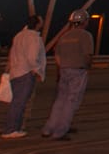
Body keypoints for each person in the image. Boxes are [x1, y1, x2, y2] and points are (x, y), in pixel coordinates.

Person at [41, 10, 97, 140]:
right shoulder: (86, 36)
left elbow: (57, 56)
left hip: (64, 70)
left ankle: (48, 128)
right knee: (71, 102)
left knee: (60, 100)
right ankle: (60, 131)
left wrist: (60, 70)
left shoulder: (64, 36)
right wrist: (88, 67)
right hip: (78, 71)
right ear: (84, 21)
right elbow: (88, 55)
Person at [0, 14, 47, 139]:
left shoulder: (19, 35)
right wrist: (36, 70)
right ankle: (11, 129)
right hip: (25, 73)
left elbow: (12, 53)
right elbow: (32, 57)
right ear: (37, 24)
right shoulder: (34, 38)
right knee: (19, 103)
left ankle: (14, 127)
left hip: (15, 72)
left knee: (16, 102)